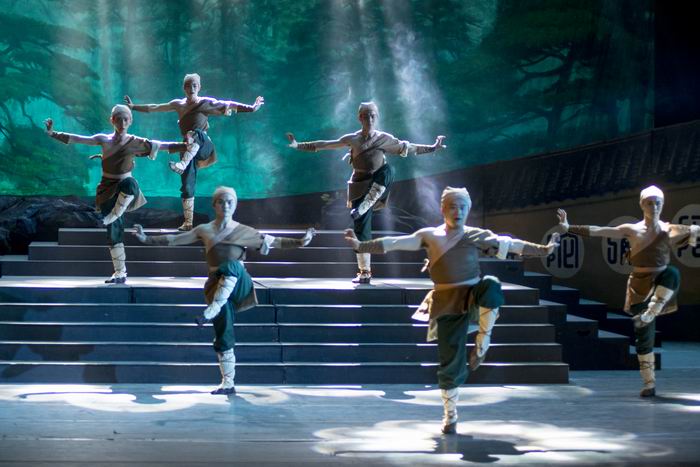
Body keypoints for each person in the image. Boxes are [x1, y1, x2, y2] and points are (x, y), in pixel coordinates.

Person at [344, 186, 558, 434]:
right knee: (450, 363)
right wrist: (361, 245)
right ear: (443, 209)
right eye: (453, 206)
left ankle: (483, 340)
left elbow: (511, 244)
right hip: (446, 303)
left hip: (473, 294)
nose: (459, 211)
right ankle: (450, 413)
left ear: (469, 209)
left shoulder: (474, 235)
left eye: (463, 207)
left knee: (491, 285)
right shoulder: (429, 235)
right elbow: (394, 243)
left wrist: (543, 250)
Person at [133, 186, 315, 395]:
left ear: (235, 205)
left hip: (239, 284)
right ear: (214, 205)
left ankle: (211, 310)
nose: (226, 206)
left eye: (230, 202)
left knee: (232, 265)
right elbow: (175, 239)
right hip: (216, 285)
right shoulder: (204, 230)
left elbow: (275, 242)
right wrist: (146, 238)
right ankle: (228, 383)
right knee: (223, 330)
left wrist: (301, 241)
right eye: (221, 202)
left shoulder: (244, 231)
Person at [557, 185, 699, 398]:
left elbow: (694, 231)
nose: (654, 207)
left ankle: (652, 311)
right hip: (640, 285)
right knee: (644, 336)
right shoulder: (631, 229)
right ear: (642, 205)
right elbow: (600, 231)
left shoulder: (668, 229)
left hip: (661, 281)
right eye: (649, 203)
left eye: (658, 203)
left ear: (663, 204)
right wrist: (570, 228)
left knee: (672, 273)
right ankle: (649, 382)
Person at [287, 101, 446, 284]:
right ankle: (364, 272)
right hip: (359, 189)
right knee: (361, 231)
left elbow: (408, 148)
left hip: (378, 186)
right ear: (359, 118)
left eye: (372, 115)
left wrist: (432, 147)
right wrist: (298, 145)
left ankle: (365, 205)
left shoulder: (383, 139)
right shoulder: (352, 139)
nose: (369, 119)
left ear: (376, 117)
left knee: (388, 169)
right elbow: (324, 144)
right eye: (365, 116)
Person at [45, 105, 194, 284]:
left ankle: (116, 213)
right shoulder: (103, 139)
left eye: (126, 119)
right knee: (113, 230)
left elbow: (161, 145)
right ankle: (120, 272)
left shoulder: (134, 141)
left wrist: (185, 146)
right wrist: (53, 133)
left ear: (130, 121)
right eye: (119, 119)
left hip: (125, 188)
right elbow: (79, 139)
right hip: (107, 189)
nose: (122, 123)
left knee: (130, 183)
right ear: (112, 120)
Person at [124, 73, 264, 231]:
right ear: (184, 88)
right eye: (188, 85)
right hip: (187, 148)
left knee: (195, 133)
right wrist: (134, 107)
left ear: (199, 87)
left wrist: (251, 108)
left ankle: (183, 164)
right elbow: (156, 107)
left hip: (204, 145)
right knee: (187, 186)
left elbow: (229, 104)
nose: (191, 88)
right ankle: (188, 222)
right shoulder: (178, 104)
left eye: (195, 85)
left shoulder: (205, 103)